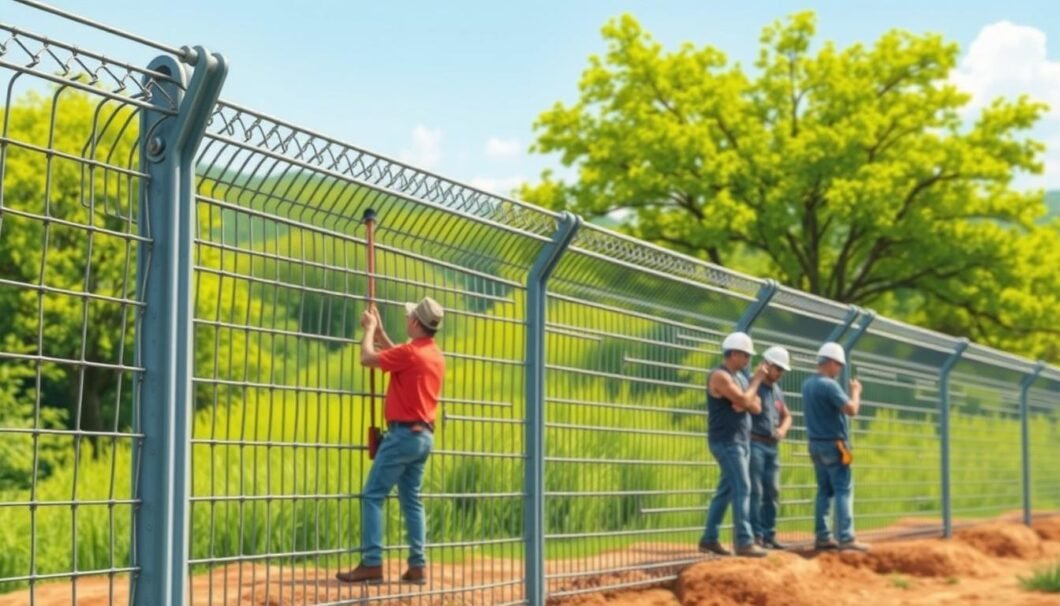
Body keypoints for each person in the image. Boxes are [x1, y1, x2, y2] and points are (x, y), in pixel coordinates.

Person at [337, 297, 446, 584]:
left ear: (414, 322)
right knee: (412, 500)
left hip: (402, 435)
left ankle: (372, 563)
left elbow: (366, 358)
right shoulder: (433, 354)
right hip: (423, 437)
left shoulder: (411, 353)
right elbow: (400, 355)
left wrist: (370, 330)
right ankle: (418, 566)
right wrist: (383, 333)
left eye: (408, 316)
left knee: (372, 495)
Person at [699, 331, 769, 558]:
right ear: (735, 354)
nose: (749, 360)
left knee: (727, 491)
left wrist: (746, 399)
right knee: (743, 487)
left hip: (740, 440)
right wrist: (756, 382)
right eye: (746, 355)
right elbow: (746, 401)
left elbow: (756, 406)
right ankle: (744, 541)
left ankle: (709, 539)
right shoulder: (720, 376)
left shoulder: (739, 378)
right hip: (727, 441)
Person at [802, 341, 869, 552]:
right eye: (838, 364)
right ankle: (846, 537)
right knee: (843, 490)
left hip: (815, 444)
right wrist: (856, 391)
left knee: (824, 491)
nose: (839, 369)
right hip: (834, 444)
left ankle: (822, 536)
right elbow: (851, 409)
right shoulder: (829, 385)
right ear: (830, 362)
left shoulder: (807, 384)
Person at [749, 345, 793, 550]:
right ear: (766, 365)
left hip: (771, 446)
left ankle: (769, 534)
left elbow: (787, 415)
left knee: (772, 491)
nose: (780, 374)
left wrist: (783, 429)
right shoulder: (753, 384)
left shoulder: (777, 391)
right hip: (755, 442)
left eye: (782, 370)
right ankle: (756, 535)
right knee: (755, 490)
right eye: (778, 369)